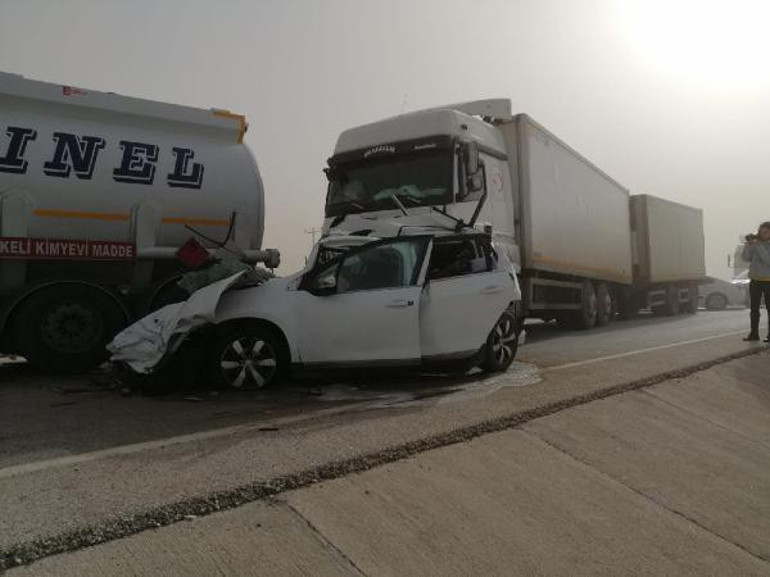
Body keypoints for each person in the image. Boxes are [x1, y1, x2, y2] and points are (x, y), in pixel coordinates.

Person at [741, 221, 770, 342]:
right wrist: (748, 244)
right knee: (754, 309)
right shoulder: (756, 243)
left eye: (766, 232)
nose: (762, 234)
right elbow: (745, 258)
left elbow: (768, 260)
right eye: (761, 232)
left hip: (768, 281)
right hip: (755, 280)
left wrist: (759, 246)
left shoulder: (763, 245)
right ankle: (754, 334)